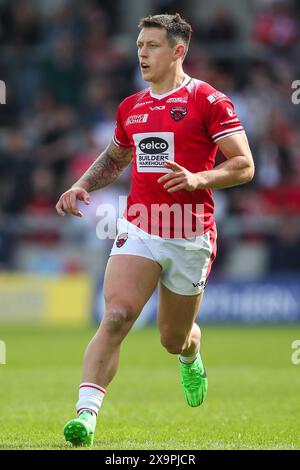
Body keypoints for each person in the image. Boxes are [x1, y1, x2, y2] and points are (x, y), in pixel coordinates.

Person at [56, 13, 255, 447]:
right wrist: (81, 184)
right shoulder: (132, 106)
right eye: (139, 45)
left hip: (190, 231)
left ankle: (191, 353)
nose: (142, 53)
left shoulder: (209, 100)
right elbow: (115, 157)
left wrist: (201, 179)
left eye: (152, 45)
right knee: (117, 316)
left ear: (178, 50)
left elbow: (244, 164)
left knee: (172, 338)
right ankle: (86, 418)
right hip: (140, 226)